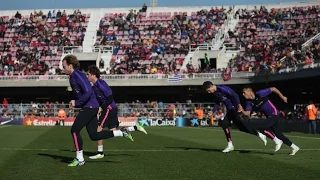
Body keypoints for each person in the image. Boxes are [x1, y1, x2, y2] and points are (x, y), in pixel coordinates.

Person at [62, 55, 134, 167]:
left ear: (70, 66)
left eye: (64, 66)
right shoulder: (72, 77)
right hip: (90, 107)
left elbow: (88, 92)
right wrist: (75, 102)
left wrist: (77, 103)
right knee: (94, 135)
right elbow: (82, 94)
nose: (63, 69)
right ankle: (121, 132)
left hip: (90, 107)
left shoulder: (78, 75)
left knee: (75, 130)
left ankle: (79, 159)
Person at [86, 65, 147, 159]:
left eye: (88, 74)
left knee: (98, 130)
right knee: (113, 131)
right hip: (111, 109)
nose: (87, 76)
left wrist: (102, 108)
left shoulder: (101, 84)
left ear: (93, 75)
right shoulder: (95, 86)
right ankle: (135, 127)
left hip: (109, 109)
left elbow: (110, 98)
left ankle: (100, 152)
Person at [203, 81, 274, 153]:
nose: (209, 92)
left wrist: (239, 105)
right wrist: (212, 111)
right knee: (241, 128)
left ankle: (230, 145)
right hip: (230, 110)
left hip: (235, 109)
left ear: (211, 86)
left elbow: (235, 95)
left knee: (224, 123)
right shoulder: (215, 93)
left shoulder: (222, 88)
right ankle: (259, 134)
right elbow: (218, 103)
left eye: (208, 90)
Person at [239, 86, 300, 155]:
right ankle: (295, 147)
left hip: (275, 114)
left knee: (262, 128)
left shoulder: (260, 94)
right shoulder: (248, 102)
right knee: (279, 135)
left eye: (244, 93)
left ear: (250, 92)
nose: (243, 95)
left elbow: (273, 89)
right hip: (270, 117)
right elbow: (247, 113)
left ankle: (277, 141)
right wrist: (242, 110)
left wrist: (282, 97)